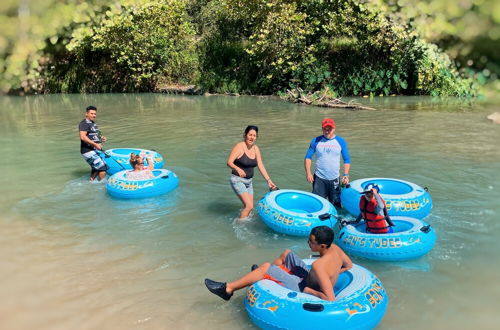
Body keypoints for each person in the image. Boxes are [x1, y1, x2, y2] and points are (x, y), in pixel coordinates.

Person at [204, 226, 352, 301]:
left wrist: (309, 291)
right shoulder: (336, 248)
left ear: (323, 246)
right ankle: (265, 275)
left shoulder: (319, 266)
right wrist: (333, 273)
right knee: (287, 253)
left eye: (311, 242)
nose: (308, 244)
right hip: (310, 279)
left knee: (266, 267)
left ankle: (228, 289)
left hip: (304, 287)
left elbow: (330, 299)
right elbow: (349, 265)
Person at [227, 125, 277, 219]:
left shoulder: (256, 149)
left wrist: (269, 180)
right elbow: (229, 162)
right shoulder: (239, 146)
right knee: (249, 206)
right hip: (237, 180)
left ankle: (244, 221)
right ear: (245, 135)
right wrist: (238, 169)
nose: (252, 137)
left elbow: (260, 165)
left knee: (250, 209)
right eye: (250, 135)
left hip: (249, 182)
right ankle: (239, 226)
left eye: (254, 135)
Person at [304, 118, 350, 208]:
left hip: (335, 179)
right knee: (317, 205)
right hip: (319, 179)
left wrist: (346, 174)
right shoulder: (316, 141)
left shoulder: (341, 141)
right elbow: (308, 157)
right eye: (325, 128)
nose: (327, 131)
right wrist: (308, 173)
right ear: (322, 128)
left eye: (330, 128)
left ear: (334, 129)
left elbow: (347, 160)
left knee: (336, 206)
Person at [79, 105, 107, 181]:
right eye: (91, 113)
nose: (94, 115)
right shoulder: (84, 123)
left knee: (96, 168)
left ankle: (91, 181)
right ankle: (102, 186)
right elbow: (83, 137)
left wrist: (101, 138)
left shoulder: (92, 123)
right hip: (88, 150)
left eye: (95, 114)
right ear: (86, 114)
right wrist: (95, 144)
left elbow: (95, 135)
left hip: (94, 150)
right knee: (102, 168)